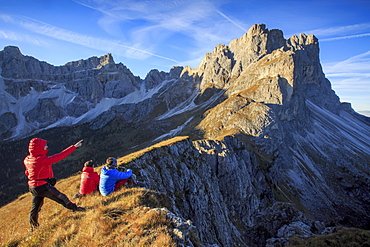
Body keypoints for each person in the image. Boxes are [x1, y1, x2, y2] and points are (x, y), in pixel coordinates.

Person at [24, 138, 86, 231]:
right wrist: (74, 147)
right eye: (44, 145)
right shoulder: (41, 160)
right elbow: (60, 156)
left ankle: (33, 227)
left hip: (33, 187)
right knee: (61, 197)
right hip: (43, 186)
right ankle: (75, 209)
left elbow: (27, 172)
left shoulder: (27, 159)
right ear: (39, 148)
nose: (46, 146)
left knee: (35, 208)